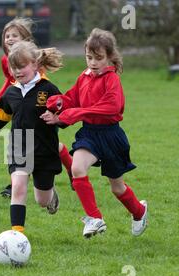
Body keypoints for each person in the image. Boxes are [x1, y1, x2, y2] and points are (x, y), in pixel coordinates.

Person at [42, 28, 148, 238]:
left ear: (110, 57)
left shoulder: (112, 80)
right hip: (89, 134)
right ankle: (95, 218)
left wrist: (76, 113)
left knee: (117, 188)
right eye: (89, 57)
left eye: (99, 58)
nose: (93, 63)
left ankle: (139, 211)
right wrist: (58, 104)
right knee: (77, 168)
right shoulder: (84, 76)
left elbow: (111, 107)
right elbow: (73, 99)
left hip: (111, 137)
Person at [0, 41, 64, 233]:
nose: (17, 71)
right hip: (19, 147)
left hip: (44, 150)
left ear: (35, 64)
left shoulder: (49, 89)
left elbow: (66, 114)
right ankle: (17, 234)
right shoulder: (11, 92)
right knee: (18, 186)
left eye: (21, 66)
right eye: (13, 67)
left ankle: (51, 195)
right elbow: (1, 117)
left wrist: (56, 118)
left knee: (42, 200)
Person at [0, 18, 73, 198]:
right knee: (26, 141)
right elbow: (10, 81)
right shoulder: (6, 60)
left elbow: (39, 84)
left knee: (43, 142)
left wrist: (47, 106)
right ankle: (17, 182)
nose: (10, 39)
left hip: (39, 102)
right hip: (20, 101)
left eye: (15, 36)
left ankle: (69, 167)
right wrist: (1, 98)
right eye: (7, 36)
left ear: (26, 40)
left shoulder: (32, 60)